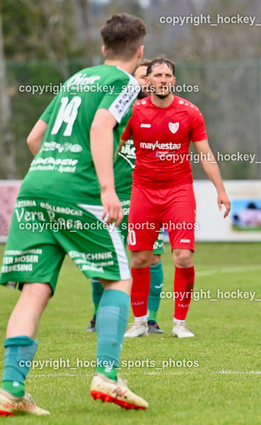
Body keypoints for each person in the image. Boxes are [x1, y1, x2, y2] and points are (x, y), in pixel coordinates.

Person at [0, 14, 148, 415]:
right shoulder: (125, 83)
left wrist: (54, 173)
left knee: (35, 289)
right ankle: (107, 375)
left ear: (102, 50)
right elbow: (102, 128)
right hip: (77, 192)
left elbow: (35, 138)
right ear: (140, 52)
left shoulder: (76, 79)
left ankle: (11, 388)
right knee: (118, 278)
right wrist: (105, 188)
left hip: (34, 187)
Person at [122, 57, 230, 339]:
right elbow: (112, 147)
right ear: (148, 80)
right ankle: (140, 322)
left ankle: (180, 323)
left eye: (167, 75)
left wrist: (220, 189)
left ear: (174, 80)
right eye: (156, 75)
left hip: (178, 192)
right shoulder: (134, 112)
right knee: (141, 258)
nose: (162, 79)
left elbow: (205, 154)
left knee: (182, 256)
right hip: (143, 191)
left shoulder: (189, 112)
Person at [87, 60, 166, 334]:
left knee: (152, 257)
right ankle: (99, 315)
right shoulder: (114, 112)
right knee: (103, 256)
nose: (147, 82)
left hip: (148, 197)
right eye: (141, 77)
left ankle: (150, 318)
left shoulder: (164, 114)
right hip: (115, 196)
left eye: (150, 77)